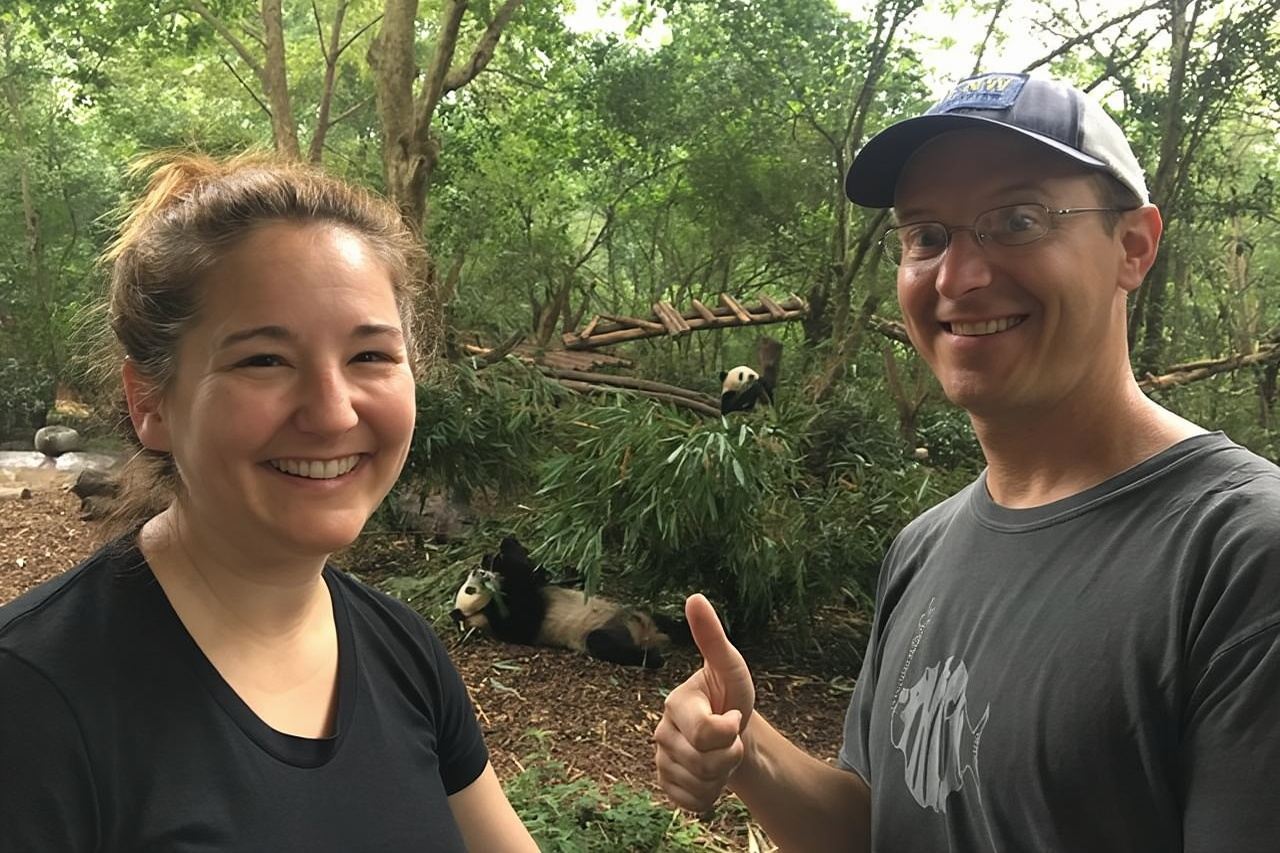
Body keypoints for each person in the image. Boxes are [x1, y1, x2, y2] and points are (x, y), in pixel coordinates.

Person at [653, 71, 1280, 851]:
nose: (957, 277)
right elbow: (876, 825)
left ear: (1133, 246)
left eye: (1016, 220)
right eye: (926, 235)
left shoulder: (1242, 552)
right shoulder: (926, 546)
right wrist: (750, 748)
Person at [0, 153, 538, 852]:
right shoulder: (32, 701)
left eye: (370, 356)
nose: (333, 411)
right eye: (264, 360)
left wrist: (735, 769)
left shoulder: (400, 649)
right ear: (150, 403)